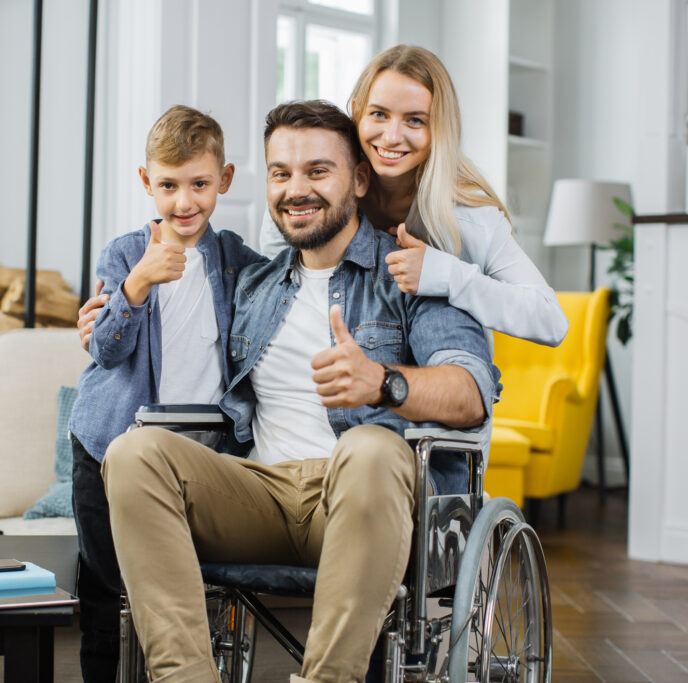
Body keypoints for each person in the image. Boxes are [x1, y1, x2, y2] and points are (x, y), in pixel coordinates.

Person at [101, 100, 498, 683]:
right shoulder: (254, 281)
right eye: (282, 174)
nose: (296, 189)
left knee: (370, 445)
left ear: (359, 179)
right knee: (133, 453)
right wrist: (113, 308)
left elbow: (471, 393)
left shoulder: (413, 273)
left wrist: (382, 383)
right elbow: (179, 323)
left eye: (318, 171)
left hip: (363, 494)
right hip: (260, 492)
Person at [67, 105, 262, 682]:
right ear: (146, 182)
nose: (184, 202)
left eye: (200, 184)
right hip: (106, 446)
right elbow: (103, 350)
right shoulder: (125, 254)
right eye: (169, 185)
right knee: (104, 588)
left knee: (182, 587)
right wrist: (137, 284)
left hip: (197, 452)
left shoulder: (236, 263)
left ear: (223, 181)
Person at [257, 44, 568, 348]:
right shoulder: (311, 200)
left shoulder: (469, 217)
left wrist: (445, 274)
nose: (392, 136)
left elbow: (550, 321)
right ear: (357, 112)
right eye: (379, 114)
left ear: (439, 129)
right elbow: (276, 293)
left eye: (415, 120)